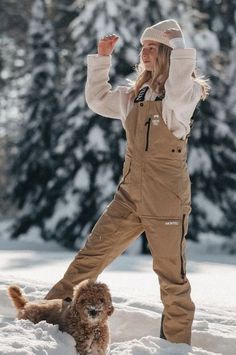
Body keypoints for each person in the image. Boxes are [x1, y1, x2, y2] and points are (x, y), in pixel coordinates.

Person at [45, 19, 209, 345]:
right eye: (142, 47)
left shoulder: (184, 94)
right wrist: (102, 59)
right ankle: (47, 324)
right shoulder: (134, 96)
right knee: (87, 261)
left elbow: (176, 88)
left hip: (165, 199)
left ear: (167, 53)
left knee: (171, 279)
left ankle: (175, 346)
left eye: (152, 47)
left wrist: (178, 47)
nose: (144, 53)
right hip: (129, 195)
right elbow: (97, 99)